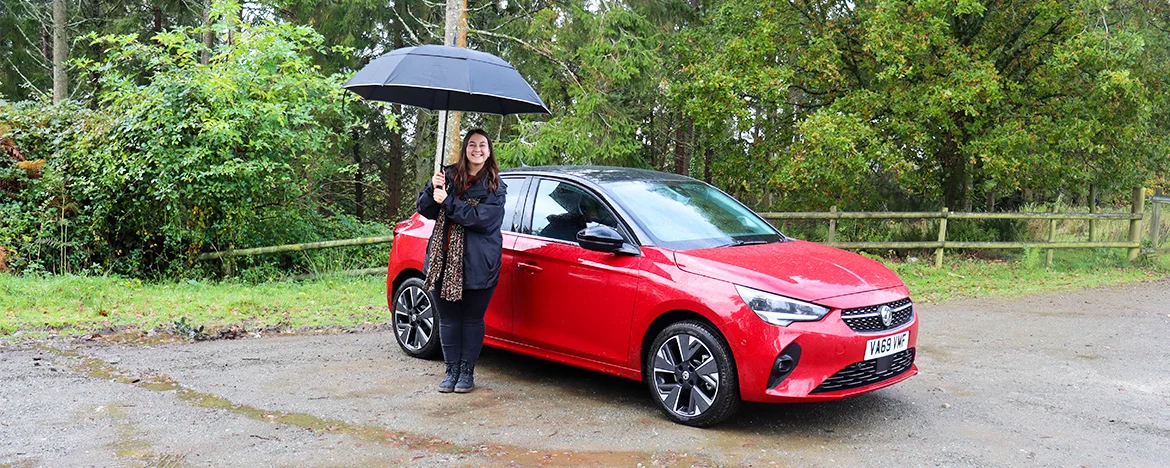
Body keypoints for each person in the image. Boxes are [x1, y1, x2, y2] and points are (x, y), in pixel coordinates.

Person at [415, 129, 506, 394]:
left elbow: (481, 220)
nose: (477, 149)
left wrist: (450, 202)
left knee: (472, 319)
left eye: (483, 145)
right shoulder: (448, 176)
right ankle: (451, 371)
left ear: (489, 152)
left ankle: (467, 372)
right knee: (449, 319)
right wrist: (433, 189)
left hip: (479, 264)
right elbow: (426, 210)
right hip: (443, 261)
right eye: (472, 145)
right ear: (465, 149)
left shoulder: (496, 187)